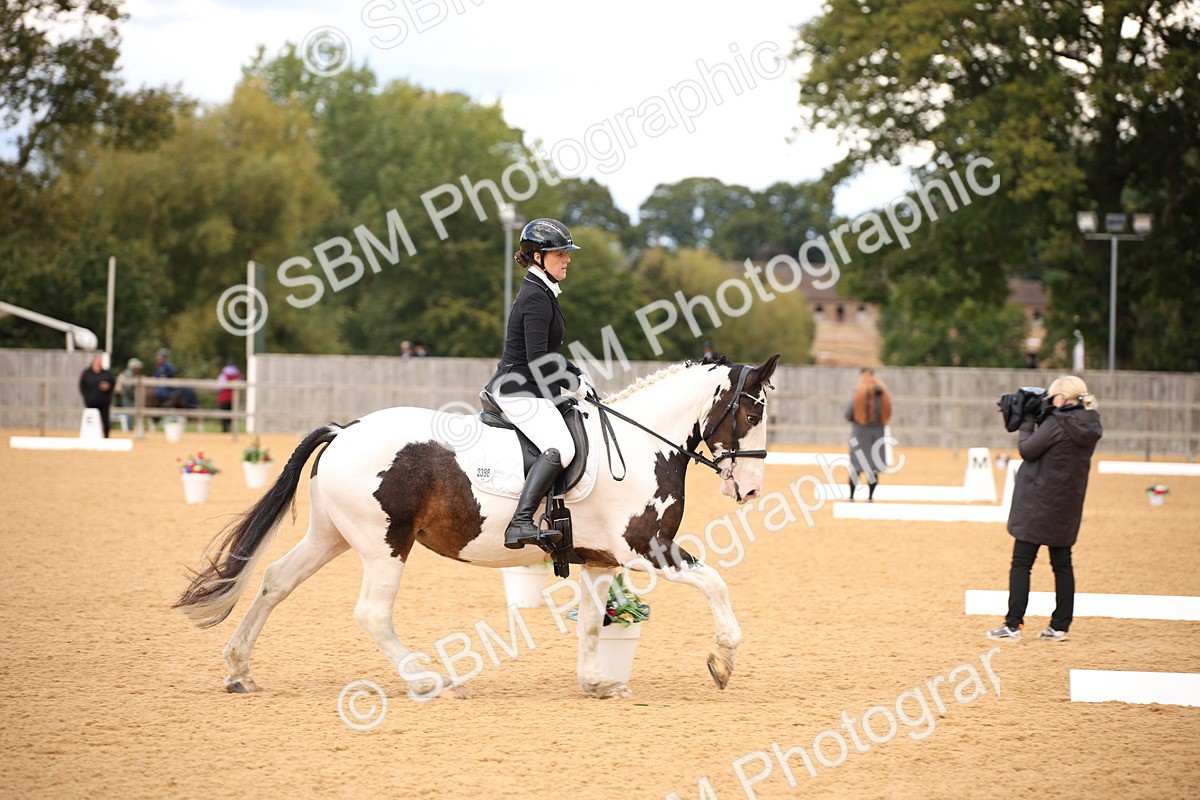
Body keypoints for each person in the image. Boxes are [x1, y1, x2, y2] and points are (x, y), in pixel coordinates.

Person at [484, 218, 591, 549]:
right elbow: (536, 360)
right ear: (538, 257)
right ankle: (519, 522)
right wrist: (572, 380)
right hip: (517, 388)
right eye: (560, 252)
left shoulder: (543, 292)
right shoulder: (535, 297)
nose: (567, 259)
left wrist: (577, 374)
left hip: (532, 387)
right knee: (562, 448)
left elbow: (548, 353)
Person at [987, 375, 1103, 642]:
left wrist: (1027, 420)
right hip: (1067, 504)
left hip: (1039, 504)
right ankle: (1060, 625)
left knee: (1021, 563)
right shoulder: (1089, 423)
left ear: (1061, 399)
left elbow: (1027, 449)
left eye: (1051, 398)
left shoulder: (1057, 423)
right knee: (1062, 564)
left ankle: (1013, 624)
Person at [844, 368, 891, 501]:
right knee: (873, 468)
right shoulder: (883, 392)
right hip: (878, 433)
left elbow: (848, 414)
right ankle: (870, 497)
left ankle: (851, 497)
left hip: (860, 433)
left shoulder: (859, 392)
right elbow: (888, 413)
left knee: (857, 467)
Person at [79, 354, 116, 437]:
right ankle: (89, 436)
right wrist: (86, 397)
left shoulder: (107, 374)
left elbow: (113, 383)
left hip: (104, 401)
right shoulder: (86, 373)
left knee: (105, 420)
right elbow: (82, 386)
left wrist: (108, 386)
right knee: (90, 419)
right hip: (90, 401)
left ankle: (106, 436)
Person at [216, 359, 243, 433]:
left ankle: (224, 430)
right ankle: (233, 431)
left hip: (224, 398)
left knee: (224, 415)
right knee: (233, 416)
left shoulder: (223, 375)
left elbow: (219, 387)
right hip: (235, 398)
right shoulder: (238, 375)